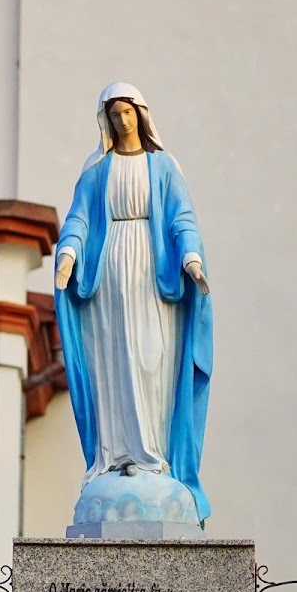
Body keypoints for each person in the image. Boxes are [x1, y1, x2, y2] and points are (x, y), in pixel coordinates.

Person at [54, 82, 214, 521]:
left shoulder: (162, 166)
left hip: (151, 271)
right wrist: (67, 256)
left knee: (151, 359)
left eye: (128, 112)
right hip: (107, 276)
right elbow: (79, 218)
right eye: (114, 114)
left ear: (141, 115)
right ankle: (118, 455)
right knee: (114, 361)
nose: (122, 121)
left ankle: (154, 456)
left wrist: (192, 259)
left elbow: (182, 217)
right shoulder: (97, 168)